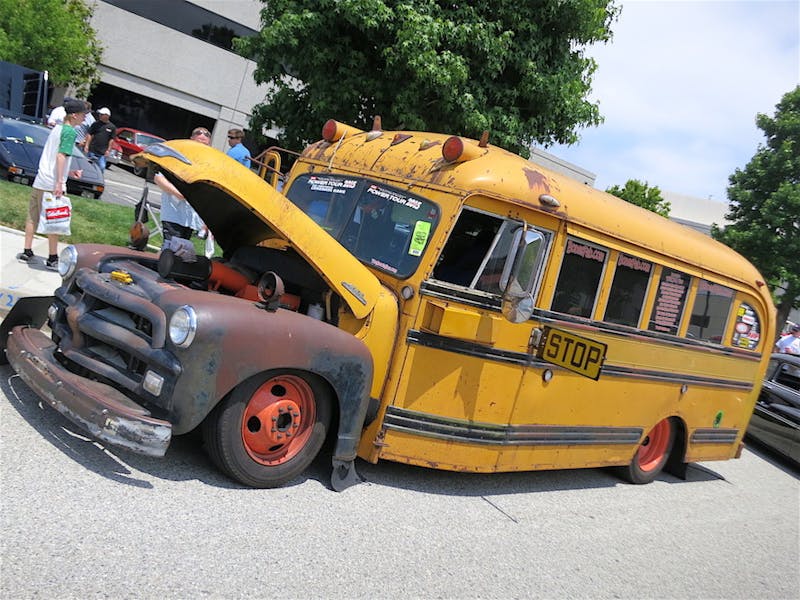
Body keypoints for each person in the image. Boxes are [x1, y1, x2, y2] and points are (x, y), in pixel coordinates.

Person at [18, 98, 87, 270]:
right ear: (74, 115)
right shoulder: (70, 132)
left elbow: (53, 156)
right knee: (54, 219)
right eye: (83, 115)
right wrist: (59, 182)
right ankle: (52, 258)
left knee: (32, 215)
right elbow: (60, 156)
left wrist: (69, 173)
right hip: (52, 183)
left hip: (41, 179)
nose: (84, 118)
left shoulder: (57, 128)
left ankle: (27, 251)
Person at [154, 127, 211, 248]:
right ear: (190, 140)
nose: (200, 146)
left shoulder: (204, 164)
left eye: (204, 144)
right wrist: (179, 193)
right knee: (171, 250)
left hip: (190, 218)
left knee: (181, 252)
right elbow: (159, 179)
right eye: (197, 142)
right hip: (173, 213)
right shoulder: (177, 158)